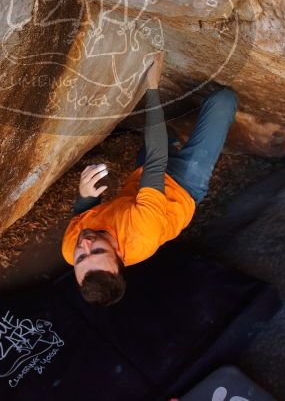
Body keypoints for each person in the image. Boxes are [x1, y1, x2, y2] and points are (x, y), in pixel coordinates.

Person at [61, 51, 238, 306]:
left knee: (162, 135)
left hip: (141, 181)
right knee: (223, 99)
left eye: (81, 258)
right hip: (185, 183)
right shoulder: (142, 233)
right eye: (98, 250)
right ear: (119, 255)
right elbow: (156, 162)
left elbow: (82, 215)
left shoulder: (70, 249)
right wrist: (151, 86)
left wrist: (85, 196)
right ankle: (174, 141)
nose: (85, 244)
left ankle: (171, 138)